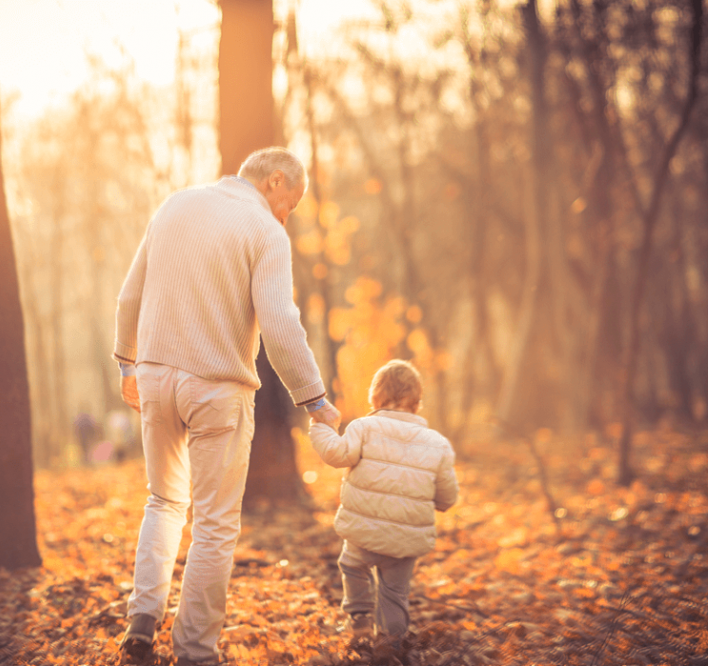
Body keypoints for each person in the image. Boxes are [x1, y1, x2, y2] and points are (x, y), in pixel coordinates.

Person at [113, 147, 340, 666]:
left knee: (163, 501)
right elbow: (279, 324)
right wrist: (315, 398)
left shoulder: (175, 205)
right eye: (293, 202)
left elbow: (129, 296)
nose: (289, 215)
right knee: (214, 524)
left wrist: (127, 364)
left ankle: (141, 621)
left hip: (154, 377)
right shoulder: (265, 231)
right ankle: (195, 651)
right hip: (216, 389)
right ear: (275, 182)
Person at [309, 360, 458, 642]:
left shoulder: (363, 428)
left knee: (351, 566)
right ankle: (391, 639)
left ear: (375, 397)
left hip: (362, 532)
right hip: (405, 540)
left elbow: (338, 455)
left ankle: (360, 617)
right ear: (416, 402)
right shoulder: (437, 444)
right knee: (394, 592)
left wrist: (320, 428)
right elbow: (447, 498)